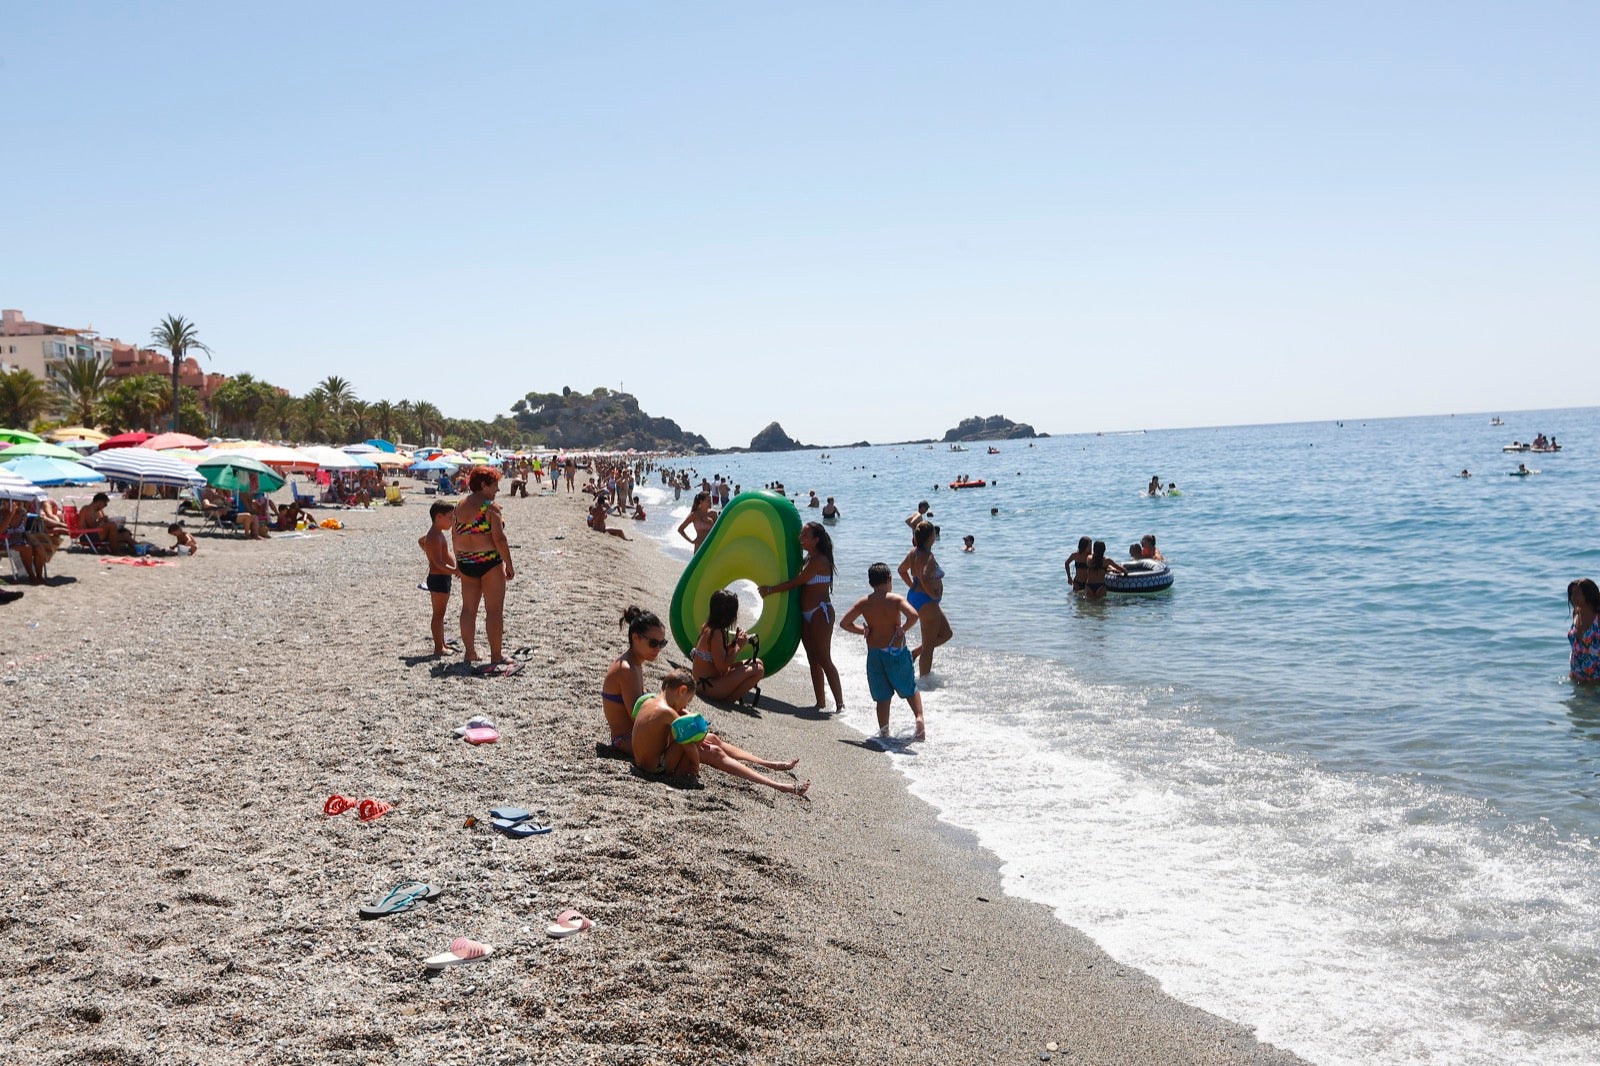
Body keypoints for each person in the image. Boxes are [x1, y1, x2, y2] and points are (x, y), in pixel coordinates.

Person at [631, 670, 809, 796]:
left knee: (713, 739)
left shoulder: (650, 701)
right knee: (714, 751)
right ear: (682, 690)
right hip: (656, 768)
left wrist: (694, 732)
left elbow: (654, 730)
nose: (685, 706)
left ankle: (767, 764)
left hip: (643, 761)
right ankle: (778, 786)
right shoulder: (668, 713)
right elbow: (689, 748)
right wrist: (695, 766)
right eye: (688, 701)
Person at [758, 522, 844, 713]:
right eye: (801, 534)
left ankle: (840, 704)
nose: (800, 538)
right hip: (806, 614)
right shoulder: (808, 559)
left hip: (820, 613)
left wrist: (771, 590)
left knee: (824, 658)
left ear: (816, 540)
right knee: (812, 658)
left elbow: (797, 582)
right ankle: (820, 703)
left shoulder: (820, 560)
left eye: (805, 535)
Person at [839, 562, 926, 740]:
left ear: (870, 582)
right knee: (909, 687)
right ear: (889, 579)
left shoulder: (864, 602)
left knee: (882, 695)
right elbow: (913, 615)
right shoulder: (895, 599)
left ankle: (884, 732)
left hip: (875, 654)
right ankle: (919, 719)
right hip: (896, 652)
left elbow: (844, 623)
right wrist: (903, 628)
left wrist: (863, 631)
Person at [451, 466, 516, 674]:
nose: (497, 489)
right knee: (494, 610)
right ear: (484, 485)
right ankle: (496, 655)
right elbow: (499, 538)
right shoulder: (490, 507)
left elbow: (455, 536)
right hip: (488, 561)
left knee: (468, 609)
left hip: (466, 561)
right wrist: (509, 564)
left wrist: (458, 562)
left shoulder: (459, 505)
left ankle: (470, 652)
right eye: (495, 484)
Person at [602, 605, 668, 754]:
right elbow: (637, 717)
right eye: (653, 643)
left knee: (710, 741)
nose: (658, 649)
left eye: (662, 643)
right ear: (636, 638)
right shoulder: (626, 669)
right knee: (694, 747)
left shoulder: (635, 664)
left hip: (636, 736)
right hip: (625, 740)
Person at [691, 588, 765, 705]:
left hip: (708, 682)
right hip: (708, 686)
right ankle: (728, 701)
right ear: (727, 615)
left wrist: (735, 642)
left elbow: (718, 654)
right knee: (759, 670)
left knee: (758, 662)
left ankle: (728, 698)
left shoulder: (709, 627)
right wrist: (738, 647)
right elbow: (723, 668)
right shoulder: (716, 633)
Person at [898, 522, 951, 677]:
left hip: (917, 597)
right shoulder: (928, 557)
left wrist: (912, 585)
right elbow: (925, 577)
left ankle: (914, 653)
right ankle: (924, 682)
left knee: (946, 634)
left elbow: (901, 570)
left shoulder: (913, 553)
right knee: (928, 649)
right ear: (931, 537)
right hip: (926, 601)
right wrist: (932, 595)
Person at [419, 501, 459, 657]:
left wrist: (428, 549)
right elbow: (438, 563)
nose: (452, 521)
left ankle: (442, 643)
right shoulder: (435, 536)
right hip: (438, 578)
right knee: (438, 615)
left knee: (440, 614)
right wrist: (455, 570)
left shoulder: (435, 533)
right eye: (450, 518)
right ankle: (438, 647)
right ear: (439, 517)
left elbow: (421, 541)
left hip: (442, 577)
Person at [1569, 579, 1600, 683]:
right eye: (1572, 594)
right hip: (1576, 674)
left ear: (1588, 594)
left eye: (1577, 593)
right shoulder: (1576, 613)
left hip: (1596, 677)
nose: (1573, 597)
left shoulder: (1598, 617)